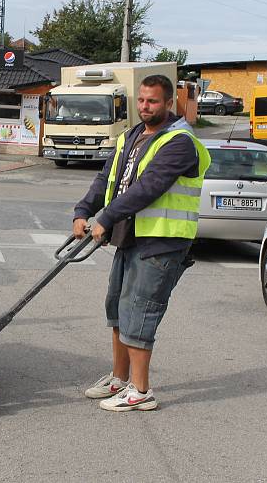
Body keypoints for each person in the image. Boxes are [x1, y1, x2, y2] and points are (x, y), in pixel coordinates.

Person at [73, 75, 210, 412]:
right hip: (130, 236)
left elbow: (148, 188)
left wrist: (105, 218)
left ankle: (141, 390)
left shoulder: (179, 142)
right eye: (142, 101)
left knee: (140, 311)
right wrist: (84, 210)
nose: (145, 107)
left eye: (153, 101)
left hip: (162, 241)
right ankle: (119, 379)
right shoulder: (131, 136)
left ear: (168, 103)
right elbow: (108, 178)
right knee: (117, 306)